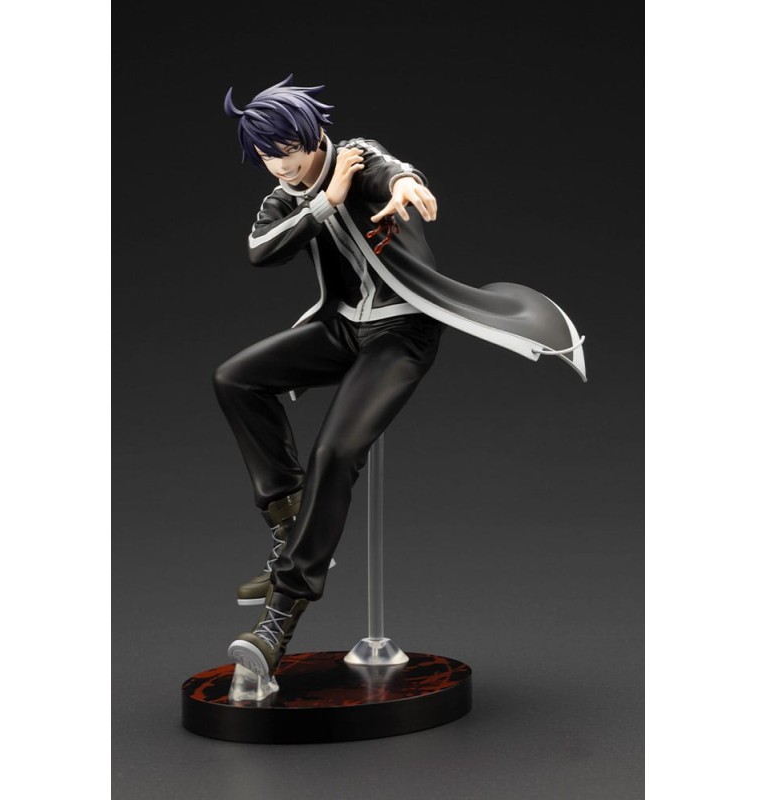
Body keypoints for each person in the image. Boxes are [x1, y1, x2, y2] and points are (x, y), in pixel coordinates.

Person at [216, 75, 586, 680]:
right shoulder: (288, 197)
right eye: (265, 156)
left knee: (335, 452)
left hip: (401, 333)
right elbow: (262, 249)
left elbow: (392, 171)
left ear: (313, 136)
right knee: (235, 378)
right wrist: (324, 201)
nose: (278, 166)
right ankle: (289, 525)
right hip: (341, 329)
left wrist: (406, 183)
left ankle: (278, 619)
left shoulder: (356, 158)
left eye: (287, 151)